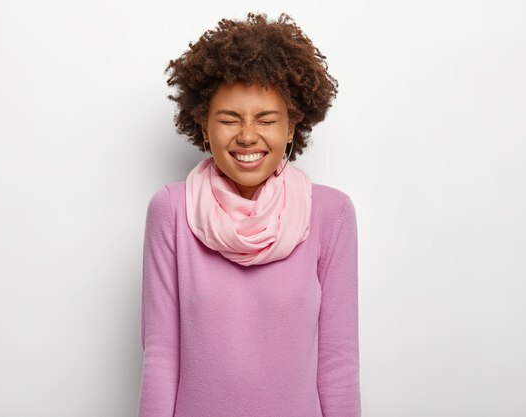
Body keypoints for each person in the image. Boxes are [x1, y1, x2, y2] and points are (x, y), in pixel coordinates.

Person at [137, 12, 360, 417]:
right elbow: (161, 355)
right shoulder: (170, 210)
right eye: (228, 119)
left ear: (291, 127)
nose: (246, 135)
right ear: (203, 125)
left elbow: (338, 360)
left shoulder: (332, 214)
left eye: (266, 119)